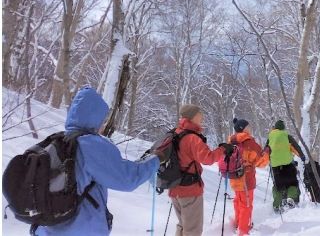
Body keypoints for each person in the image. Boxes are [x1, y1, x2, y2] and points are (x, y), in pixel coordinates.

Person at [37, 86, 169, 236]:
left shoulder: (56, 140)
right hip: (80, 229)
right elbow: (127, 178)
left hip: (46, 228)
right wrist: (156, 159)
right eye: (102, 119)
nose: (103, 124)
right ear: (94, 117)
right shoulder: (91, 145)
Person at [168, 104, 233, 236]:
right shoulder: (192, 138)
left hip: (174, 187)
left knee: (182, 225)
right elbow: (208, 158)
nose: (202, 117)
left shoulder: (175, 132)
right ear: (192, 117)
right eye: (199, 115)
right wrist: (223, 150)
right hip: (189, 190)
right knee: (193, 230)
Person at [227, 118, 268, 236]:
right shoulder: (249, 143)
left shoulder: (231, 141)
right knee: (246, 204)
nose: (250, 127)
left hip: (234, 177)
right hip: (246, 179)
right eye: (248, 126)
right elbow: (261, 162)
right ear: (243, 129)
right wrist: (266, 153)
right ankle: (243, 230)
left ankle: (238, 224)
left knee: (238, 201)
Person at [265, 120, 306, 213]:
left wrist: (268, 161)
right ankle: (290, 197)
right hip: (288, 165)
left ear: (275, 128)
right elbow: (296, 147)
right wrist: (302, 156)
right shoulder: (287, 136)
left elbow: (266, 150)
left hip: (275, 166)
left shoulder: (270, 137)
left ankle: (276, 205)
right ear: (283, 128)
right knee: (292, 183)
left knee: (278, 185)